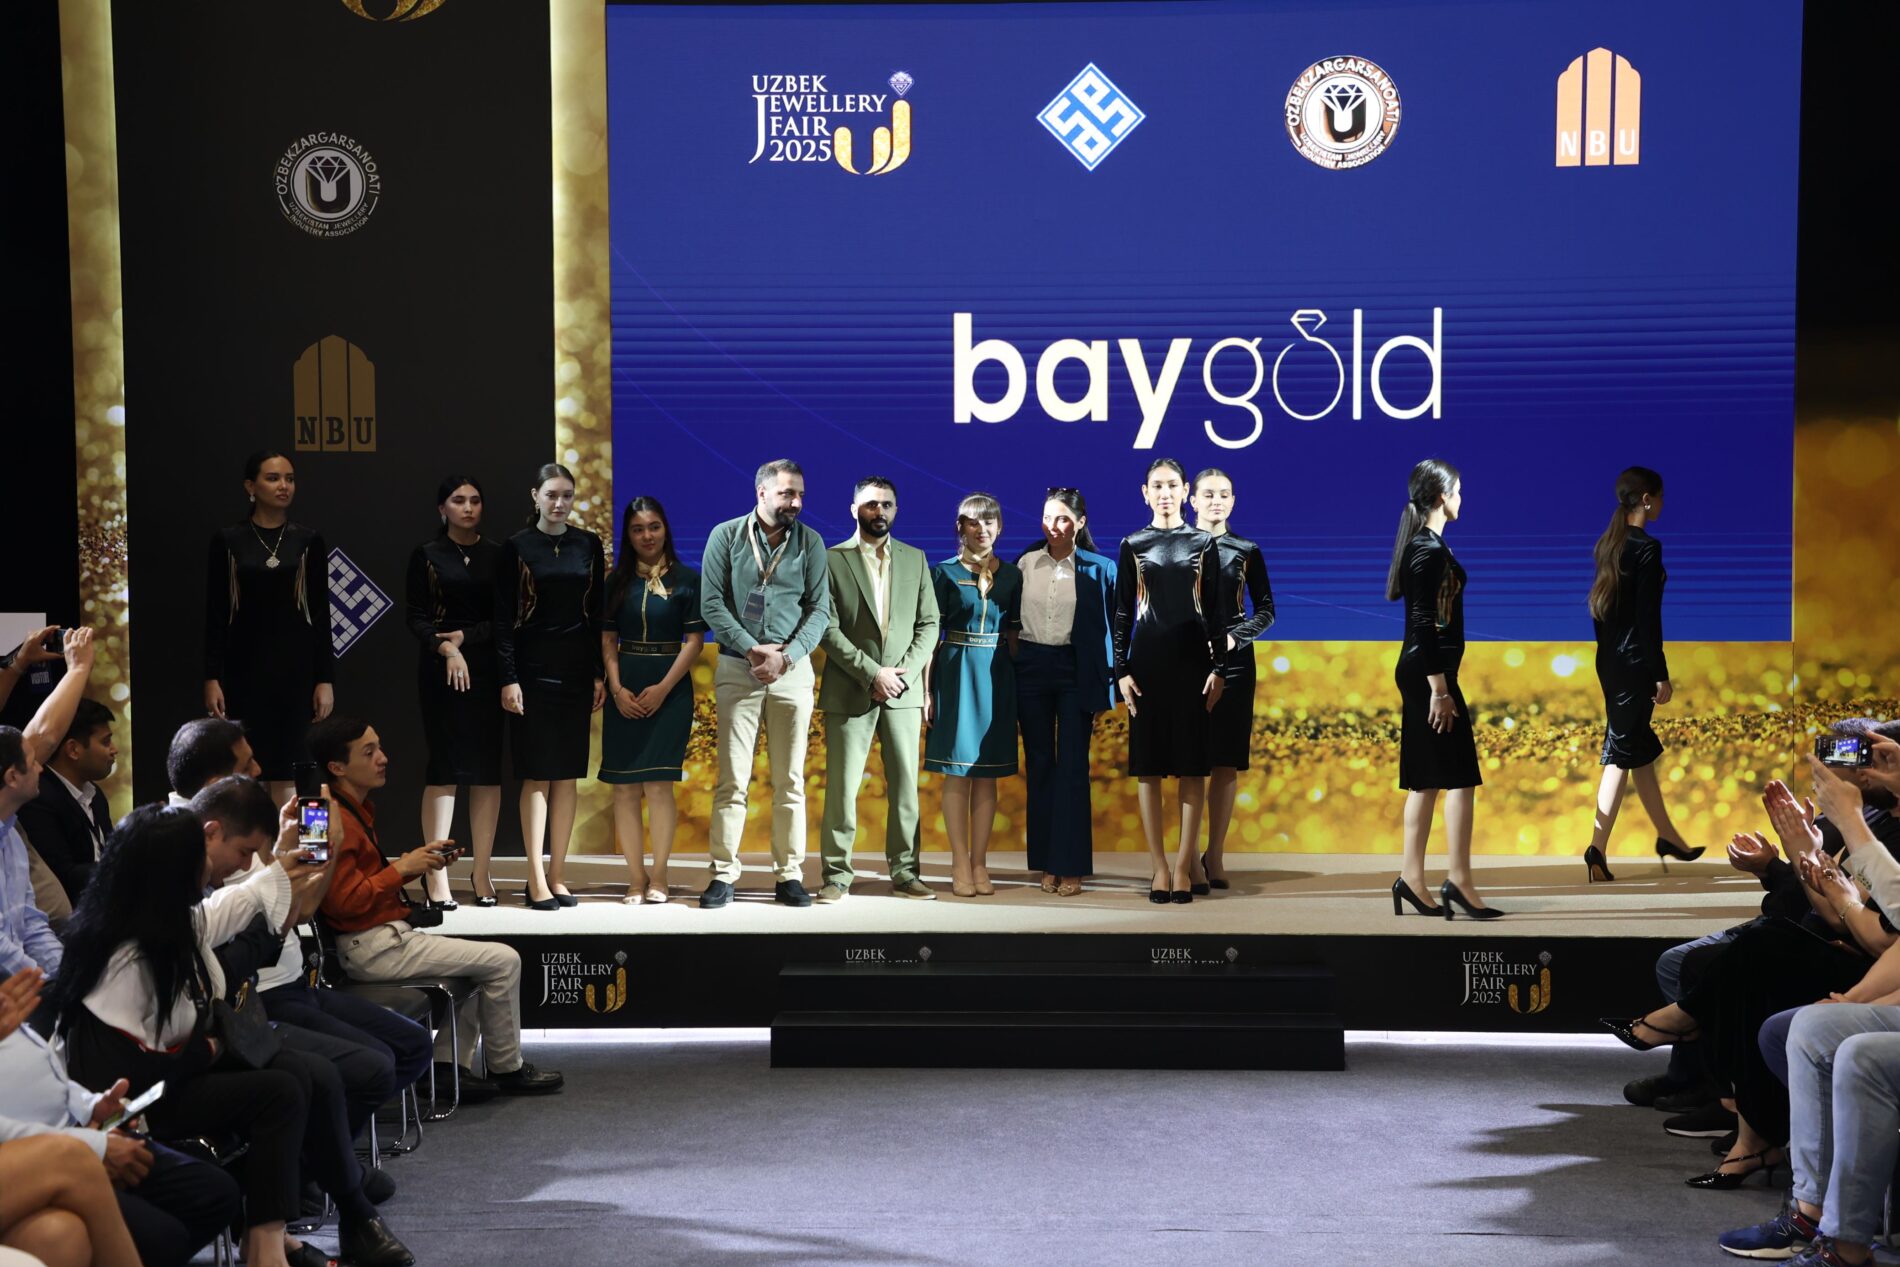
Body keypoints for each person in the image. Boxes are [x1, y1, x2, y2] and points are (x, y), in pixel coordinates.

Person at [46, 801, 371, 1267]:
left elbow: (228, 909)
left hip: (168, 1079)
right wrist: (209, 1048)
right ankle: (271, 1244)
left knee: (293, 1073)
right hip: (129, 1109)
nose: (220, 864)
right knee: (280, 1089)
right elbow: (132, 1071)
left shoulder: (158, 923)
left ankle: (271, 1238)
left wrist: (281, 866)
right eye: (200, 851)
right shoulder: (126, 955)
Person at [180, 771, 430, 1189]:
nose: (257, 773)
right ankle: (315, 1172)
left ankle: (317, 1163)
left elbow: (279, 914)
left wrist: (284, 856)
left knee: (410, 1047)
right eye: (246, 765)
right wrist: (317, 853)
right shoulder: (201, 864)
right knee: (368, 1068)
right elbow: (293, 911)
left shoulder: (240, 849)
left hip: (294, 987)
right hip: (260, 1003)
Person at [313, 714, 563, 1097]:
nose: (383, 758)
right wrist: (401, 869)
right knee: (504, 961)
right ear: (337, 767)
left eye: (380, 747)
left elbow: (357, 888)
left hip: (379, 939)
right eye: (369, 751)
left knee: (488, 965)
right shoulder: (324, 815)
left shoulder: (345, 809)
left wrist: (415, 863)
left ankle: (448, 1069)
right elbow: (342, 903)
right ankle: (504, 1069)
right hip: (370, 946)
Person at [2, 963, 243, 1267]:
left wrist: (91, 1105)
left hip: (73, 1137)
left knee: (215, 1193)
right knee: (150, 1237)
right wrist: (92, 1144)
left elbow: (39, 1068)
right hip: (42, 1153)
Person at [697, 459, 831, 910]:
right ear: (761, 493)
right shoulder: (725, 536)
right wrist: (753, 650)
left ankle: (789, 874)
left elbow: (820, 610)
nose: (796, 502)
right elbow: (711, 604)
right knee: (732, 780)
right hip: (739, 668)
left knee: (790, 780)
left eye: (800, 494)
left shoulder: (811, 542)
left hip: (793, 672)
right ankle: (723, 873)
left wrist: (786, 657)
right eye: (787, 493)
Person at [816, 477, 939, 903]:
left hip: (902, 692)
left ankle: (905, 873)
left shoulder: (915, 559)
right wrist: (873, 674)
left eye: (887, 504)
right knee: (842, 789)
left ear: (896, 510)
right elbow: (826, 628)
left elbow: (930, 624)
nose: (879, 511)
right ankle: (836, 876)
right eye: (871, 504)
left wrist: (900, 676)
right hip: (850, 689)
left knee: (905, 789)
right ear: (854, 510)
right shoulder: (831, 559)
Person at [1581, 466, 1702, 882]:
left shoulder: (1608, 545)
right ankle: (1596, 849)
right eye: (1660, 497)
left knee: (1639, 750)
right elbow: (1648, 620)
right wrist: (1659, 673)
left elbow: (1602, 616)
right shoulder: (1647, 548)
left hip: (1610, 662)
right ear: (1647, 500)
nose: (1663, 504)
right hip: (1635, 665)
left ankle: (1668, 837)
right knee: (1620, 753)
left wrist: (1613, 660)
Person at [1386, 459, 1495, 919]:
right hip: (1429, 676)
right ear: (1441, 497)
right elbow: (1422, 623)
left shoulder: (1427, 545)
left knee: (1427, 781)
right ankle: (1458, 881)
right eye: (1458, 491)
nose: (1461, 499)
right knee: (1459, 778)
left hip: (1427, 673)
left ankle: (1413, 879)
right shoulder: (1426, 549)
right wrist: (1440, 689)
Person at [1113, 460, 1225, 904]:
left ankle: (1183, 866)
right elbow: (1122, 612)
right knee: (1149, 768)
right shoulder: (1133, 544)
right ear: (1145, 492)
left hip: (1194, 665)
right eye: (1157, 486)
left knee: (1192, 767)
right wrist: (1120, 670)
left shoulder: (1203, 543)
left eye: (1172, 485)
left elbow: (1216, 611)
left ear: (1184, 491)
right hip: (1146, 668)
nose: (1164, 493)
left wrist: (1220, 668)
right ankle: (1158, 866)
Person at [496, 462, 605, 910]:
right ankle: (535, 877)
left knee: (567, 777)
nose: (559, 503)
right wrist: (509, 677)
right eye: (552, 495)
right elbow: (503, 619)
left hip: (577, 672)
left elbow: (596, 613)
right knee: (537, 774)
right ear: (535, 497)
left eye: (567, 495)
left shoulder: (588, 544)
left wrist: (597, 672)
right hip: (531, 672)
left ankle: (557, 874)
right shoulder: (517, 546)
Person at [203, 451, 334, 799]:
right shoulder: (228, 540)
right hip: (243, 672)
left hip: (297, 672)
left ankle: (301, 836)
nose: (283, 486)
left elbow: (320, 615)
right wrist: (212, 676)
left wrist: (325, 678)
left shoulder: (308, 540)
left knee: (299, 764)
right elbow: (216, 614)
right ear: (251, 486)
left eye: (289, 478)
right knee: (249, 767)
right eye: (273, 478)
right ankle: (256, 836)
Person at [599, 495, 705, 904]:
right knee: (624, 790)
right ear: (628, 535)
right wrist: (616, 689)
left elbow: (694, 642)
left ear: (666, 529)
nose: (647, 535)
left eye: (654, 527)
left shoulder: (688, 579)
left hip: (670, 691)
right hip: (624, 689)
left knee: (659, 787)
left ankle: (659, 876)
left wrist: (662, 689)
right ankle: (635, 878)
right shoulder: (615, 582)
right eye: (638, 529)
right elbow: (607, 640)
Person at [406, 475, 505, 909]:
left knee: (486, 772)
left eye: (475, 500)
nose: (468, 508)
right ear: (441, 508)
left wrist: (466, 638)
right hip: (440, 671)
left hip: (487, 669)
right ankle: (437, 875)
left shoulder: (498, 555)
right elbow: (415, 616)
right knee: (444, 768)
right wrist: (446, 647)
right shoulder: (427, 554)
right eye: (459, 500)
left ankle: (482, 871)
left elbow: (506, 619)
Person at [1015, 489, 1116, 897]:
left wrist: (1108, 684)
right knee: (1040, 764)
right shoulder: (1026, 562)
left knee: (1073, 767)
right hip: (1031, 667)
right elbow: (1010, 622)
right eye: (1047, 517)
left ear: (1080, 522)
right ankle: (1046, 861)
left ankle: (1070, 865)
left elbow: (1115, 629)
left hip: (1077, 670)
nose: (1053, 526)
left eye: (1062, 519)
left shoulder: (1101, 568)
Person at [924, 493, 1021, 898]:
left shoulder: (1012, 575)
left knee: (987, 774)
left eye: (989, 521)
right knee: (957, 773)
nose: (982, 529)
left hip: (997, 676)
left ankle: (980, 862)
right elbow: (930, 636)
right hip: (956, 674)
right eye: (973, 522)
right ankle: (959, 861)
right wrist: (927, 691)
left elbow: (1014, 635)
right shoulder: (942, 573)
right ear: (960, 528)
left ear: (1000, 527)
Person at [1190, 468, 1276, 894]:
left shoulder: (1246, 550)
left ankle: (1216, 853)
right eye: (1208, 494)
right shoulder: (1176, 547)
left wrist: (1233, 637)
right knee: (1189, 760)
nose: (1216, 502)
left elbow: (1267, 610)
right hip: (1187, 661)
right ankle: (1188, 857)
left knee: (1225, 761)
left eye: (1224, 494)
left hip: (1237, 662)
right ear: (1192, 500)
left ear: (1234, 501)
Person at [2, 628, 97, 980]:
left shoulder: (10, 836)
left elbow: (30, 923)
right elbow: (42, 736)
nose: (43, 769)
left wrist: (17, 664)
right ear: (12, 777)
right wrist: (78, 669)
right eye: (33, 765)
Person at [15, 699, 116, 911]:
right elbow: (63, 876)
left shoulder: (95, 795)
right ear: (73, 750)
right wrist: (126, 865)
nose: (114, 750)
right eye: (106, 742)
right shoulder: (38, 800)